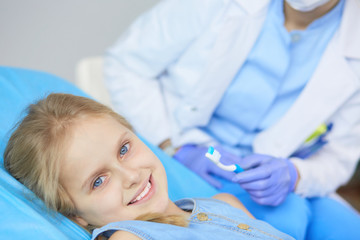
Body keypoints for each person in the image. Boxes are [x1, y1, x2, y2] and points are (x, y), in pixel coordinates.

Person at [104, 0, 360, 238]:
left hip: (274, 178)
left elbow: (339, 157)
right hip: (182, 151)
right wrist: (173, 145)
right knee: (289, 217)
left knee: (346, 229)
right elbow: (126, 65)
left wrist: (295, 175)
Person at [3, 93, 294, 240]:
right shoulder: (129, 238)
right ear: (74, 214)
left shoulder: (224, 204)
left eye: (124, 149)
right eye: (98, 181)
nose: (130, 176)